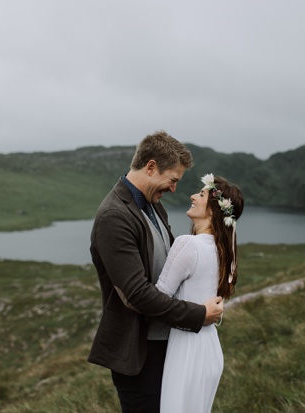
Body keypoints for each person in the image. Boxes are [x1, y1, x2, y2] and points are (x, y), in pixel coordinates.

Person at [87, 131, 224, 413]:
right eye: (172, 180)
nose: (174, 189)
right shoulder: (115, 216)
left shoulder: (154, 207)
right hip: (140, 354)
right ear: (150, 167)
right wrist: (199, 314)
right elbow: (136, 294)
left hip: (169, 347)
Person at [156, 173, 244, 412]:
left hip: (186, 349)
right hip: (210, 349)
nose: (193, 196)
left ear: (214, 211)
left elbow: (157, 298)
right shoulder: (226, 251)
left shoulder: (188, 244)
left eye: (202, 194)